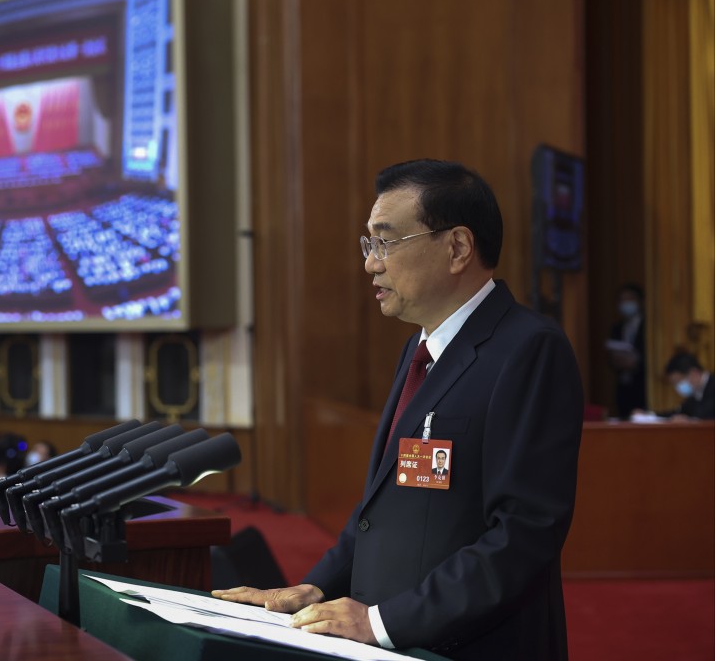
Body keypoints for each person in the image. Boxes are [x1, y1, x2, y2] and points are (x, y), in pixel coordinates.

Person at [214, 160, 584, 660]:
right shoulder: (418, 350)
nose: (371, 263)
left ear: (457, 248)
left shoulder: (528, 349)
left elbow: (523, 533)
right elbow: (381, 512)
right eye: (369, 244)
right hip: (395, 646)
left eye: (386, 242)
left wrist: (382, 622)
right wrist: (316, 588)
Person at [606, 283, 647, 418]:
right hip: (623, 385)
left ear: (640, 301)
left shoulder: (649, 326)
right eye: (622, 300)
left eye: (630, 299)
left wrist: (637, 363)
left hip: (643, 384)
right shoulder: (617, 328)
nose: (625, 303)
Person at [660, 352, 714, 420]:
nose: (678, 387)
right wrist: (650, 414)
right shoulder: (694, 394)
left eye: (679, 381)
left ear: (694, 373)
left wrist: (689, 420)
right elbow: (678, 413)